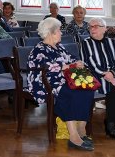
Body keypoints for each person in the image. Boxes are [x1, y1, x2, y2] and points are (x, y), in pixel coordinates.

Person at [26, 17, 96, 150]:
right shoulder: (39, 49)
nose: (61, 33)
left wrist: (79, 63)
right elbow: (47, 68)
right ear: (50, 33)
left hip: (63, 80)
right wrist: (66, 66)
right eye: (59, 30)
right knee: (70, 92)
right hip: (44, 83)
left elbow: (72, 59)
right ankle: (73, 136)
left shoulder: (59, 47)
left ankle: (81, 127)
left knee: (88, 89)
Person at [80, 17, 115, 139]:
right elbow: (89, 62)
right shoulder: (86, 43)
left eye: (96, 26)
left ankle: (112, 120)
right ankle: (111, 127)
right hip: (97, 76)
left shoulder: (113, 42)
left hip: (114, 75)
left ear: (104, 29)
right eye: (90, 26)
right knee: (114, 92)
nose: (92, 29)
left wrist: (113, 74)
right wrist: (106, 75)